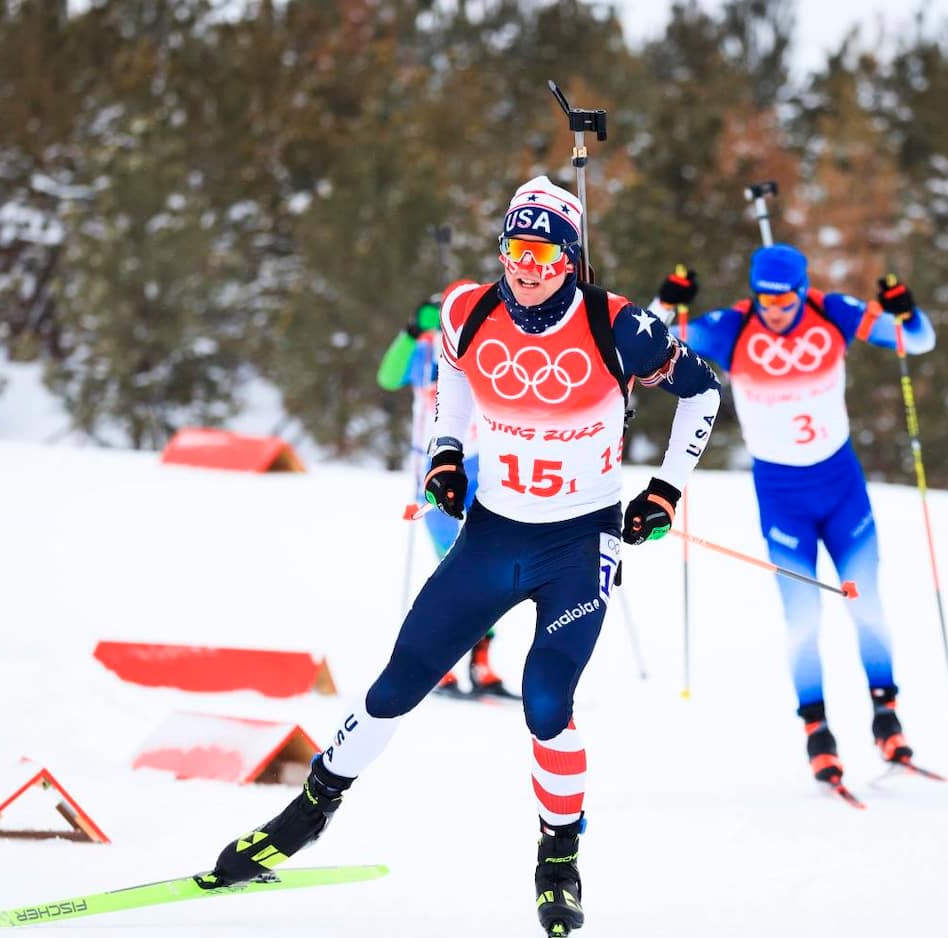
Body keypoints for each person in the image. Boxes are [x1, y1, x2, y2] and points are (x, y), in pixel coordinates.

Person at [207, 176, 721, 938]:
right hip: (492, 534)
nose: (529, 266)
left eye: (547, 252)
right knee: (397, 682)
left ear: (571, 259)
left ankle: (558, 860)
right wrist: (448, 449)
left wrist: (667, 491)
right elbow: (452, 370)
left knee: (548, 703)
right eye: (517, 248)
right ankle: (307, 813)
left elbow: (703, 392)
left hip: (578, 544)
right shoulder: (467, 310)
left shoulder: (623, 327)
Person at [653, 246, 935, 787]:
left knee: (866, 603)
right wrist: (668, 302)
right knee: (804, 619)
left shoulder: (833, 312)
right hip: (783, 498)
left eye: (784, 298)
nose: (774, 309)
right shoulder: (732, 328)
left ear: (802, 290)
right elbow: (644, 347)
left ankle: (887, 718)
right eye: (764, 298)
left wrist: (906, 309)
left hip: (842, 489)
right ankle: (818, 734)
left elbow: (918, 340)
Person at [376, 295, 511, 698]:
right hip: (434, 476)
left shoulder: (486, 347)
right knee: (454, 571)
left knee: (487, 571)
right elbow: (387, 377)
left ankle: (481, 665)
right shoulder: (424, 351)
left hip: (481, 466)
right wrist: (412, 331)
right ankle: (441, 664)